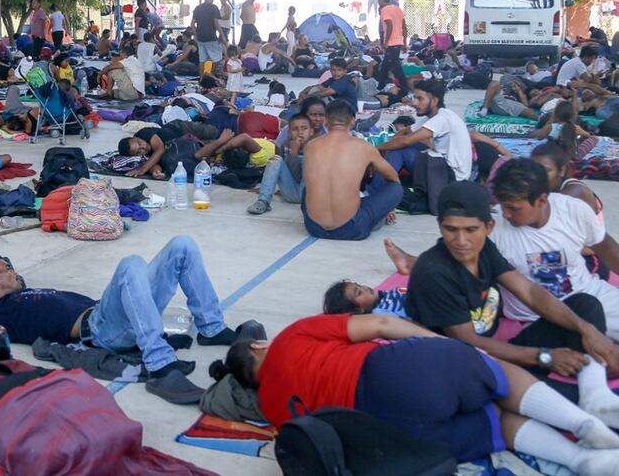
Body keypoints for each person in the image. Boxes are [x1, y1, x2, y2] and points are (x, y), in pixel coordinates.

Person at [215, 312, 619, 471]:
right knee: (496, 374)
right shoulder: (288, 338)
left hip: (391, 437)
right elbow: (380, 325)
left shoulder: (271, 409)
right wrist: (442, 346)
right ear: (259, 347)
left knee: (497, 422)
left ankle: (580, 461)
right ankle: (583, 422)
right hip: (388, 375)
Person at [0, 236, 240, 404]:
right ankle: (160, 364)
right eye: (6, 267)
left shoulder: (25, 293)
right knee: (131, 264)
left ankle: (211, 327)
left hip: (118, 314)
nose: (14, 271)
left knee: (182, 246)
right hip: (101, 329)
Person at [397, 181, 619, 393]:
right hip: (465, 362)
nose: (461, 241)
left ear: (489, 227)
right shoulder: (434, 272)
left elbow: (529, 292)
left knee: (586, 306)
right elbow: (468, 343)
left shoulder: (483, 248)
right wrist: (545, 357)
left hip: (497, 349)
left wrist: (586, 328)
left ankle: (594, 381)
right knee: (565, 398)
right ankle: (592, 384)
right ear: (439, 225)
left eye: (471, 230)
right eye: (451, 229)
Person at [489, 159, 619, 341]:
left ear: (542, 200)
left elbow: (606, 246)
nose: (505, 214)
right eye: (503, 205)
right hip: (536, 317)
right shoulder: (493, 228)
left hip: (590, 296)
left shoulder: (572, 210)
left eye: (513, 208)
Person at [302, 100, 403, 240]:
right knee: (396, 188)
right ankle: (378, 218)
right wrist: (387, 207)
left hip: (314, 228)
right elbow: (393, 177)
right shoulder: (364, 147)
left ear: (325, 121)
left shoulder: (310, 146)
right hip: (351, 228)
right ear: (352, 122)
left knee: (309, 188)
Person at [378, 79, 472, 215]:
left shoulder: (443, 118)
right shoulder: (433, 118)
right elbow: (405, 132)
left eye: (420, 99)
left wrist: (377, 149)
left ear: (434, 101)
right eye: (414, 98)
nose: (414, 103)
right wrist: (390, 143)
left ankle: (377, 190)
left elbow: (406, 141)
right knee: (402, 145)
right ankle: (380, 184)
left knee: (402, 149)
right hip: (441, 170)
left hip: (450, 178)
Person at [248, 112, 312, 215]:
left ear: (311, 131)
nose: (300, 132)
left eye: (304, 128)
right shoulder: (286, 146)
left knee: (308, 159)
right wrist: (293, 153)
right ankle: (263, 201)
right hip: (290, 192)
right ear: (289, 133)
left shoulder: (317, 146)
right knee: (276, 160)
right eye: (295, 129)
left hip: (310, 194)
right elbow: (286, 171)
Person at [374, 0, 408, 97]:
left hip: (391, 43)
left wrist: (386, 42)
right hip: (398, 42)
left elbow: (389, 25)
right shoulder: (398, 9)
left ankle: (406, 89)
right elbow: (404, 27)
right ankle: (380, 87)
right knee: (385, 66)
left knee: (395, 67)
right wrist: (404, 42)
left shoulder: (385, 10)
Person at [322, 280, 407, 318]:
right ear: (358, 310)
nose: (364, 288)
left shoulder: (382, 295)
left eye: (359, 285)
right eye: (359, 293)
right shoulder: (381, 313)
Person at [191, 0, 223, 66]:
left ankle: (202, 74)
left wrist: (195, 35)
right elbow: (216, 23)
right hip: (211, 37)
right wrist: (222, 35)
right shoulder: (214, 8)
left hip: (200, 38)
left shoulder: (198, 8)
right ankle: (211, 72)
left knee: (202, 59)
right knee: (216, 58)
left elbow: (192, 24)